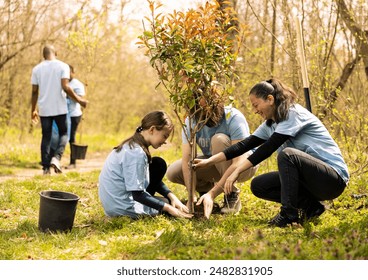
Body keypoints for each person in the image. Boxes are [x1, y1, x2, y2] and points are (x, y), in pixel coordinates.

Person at [194, 78, 349, 227]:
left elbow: (267, 148)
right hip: (310, 179)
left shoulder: (292, 113)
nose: (255, 111)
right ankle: (312, 208)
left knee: (288, 155)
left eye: (256, 105)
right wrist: (210, 160)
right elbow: (245, 145)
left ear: (270, 99)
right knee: (259, 185)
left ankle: (288, 214)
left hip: (332, 179)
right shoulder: (271, 123)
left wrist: (236, 171)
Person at [166, 101, 258, 214]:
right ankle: (203, 192)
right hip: (214, 162)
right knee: (174, 171)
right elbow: (187, 160)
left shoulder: (233, 117)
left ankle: (231, 194)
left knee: (218, 140)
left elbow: (238, 161)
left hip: (244, 165)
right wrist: (191, 197)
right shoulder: (192, 121)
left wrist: (212, 194)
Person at [98, 111, 193, 219]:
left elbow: (142, 177)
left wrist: (171, 196)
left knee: (158, 164)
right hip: (121, 207)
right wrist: (168, 208)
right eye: (164, 136)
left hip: (115, 204)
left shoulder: (133, 145)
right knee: (168, 207)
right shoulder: (136, 154)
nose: (165, 141)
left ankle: (167, 203)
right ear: (152, 130)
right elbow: (138, 195)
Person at [31, 45, 88, 175]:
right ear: (56, 53)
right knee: (64, 134)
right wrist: (80, 101)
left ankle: (45, 168)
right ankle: (56, 158)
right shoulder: (63, 66)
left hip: (44, 109)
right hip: (60, 108)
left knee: (46, 137)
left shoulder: (37, 69)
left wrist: (33, 110)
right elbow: (66, 87)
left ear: (43, 55)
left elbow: (34, 92)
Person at [66, 64, 86, 169]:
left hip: (74, 114)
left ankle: (72, 162)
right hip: (62, 114)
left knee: (71, 138)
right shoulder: (62, 82)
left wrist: (69, 92)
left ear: (73, 72)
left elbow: (81, 99)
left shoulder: (77, 84)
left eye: (69, 72)